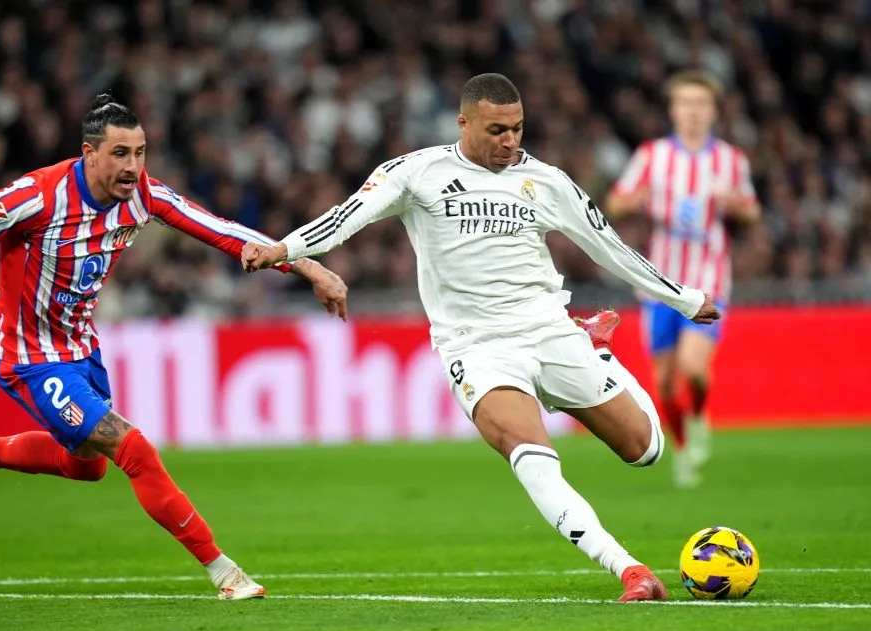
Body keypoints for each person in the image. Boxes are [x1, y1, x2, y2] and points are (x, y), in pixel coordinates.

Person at [241, 73, 721, 602]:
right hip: (477, 347)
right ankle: (629, 570)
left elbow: (610, 247)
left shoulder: (548, 181)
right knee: (530, 452)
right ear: (463, 123)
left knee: (646, 450)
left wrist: (683, 297)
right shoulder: (417, 172)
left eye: (517, 129)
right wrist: (284, 249)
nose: (510, 142)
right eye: (497, 130)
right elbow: (347, 217)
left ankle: (598, 347)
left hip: (550, 330)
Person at [0, 93, 349, 600]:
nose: (134, 166)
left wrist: (308, 265)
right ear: (89, 154)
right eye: (120, 154)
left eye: (140, 152)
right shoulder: (36, 197)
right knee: (133, 448)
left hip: (80, 348)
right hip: (26, 355)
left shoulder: (144, 196)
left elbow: (221, 230)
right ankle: (224, 571)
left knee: (84, 466)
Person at [605, 70, 760, 488]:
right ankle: (682, 448)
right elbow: (614, 203)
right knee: (665, 382)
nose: (693, 111)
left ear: (712, 111)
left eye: (701, 103)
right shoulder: (652, 156)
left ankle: (700, 414)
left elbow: (752, 211)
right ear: (673, 110)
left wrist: (735, 205)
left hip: (710, 281)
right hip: (660, 285)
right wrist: (631, 201)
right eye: (686, 103)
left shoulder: (730, 160)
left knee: (693, 367)